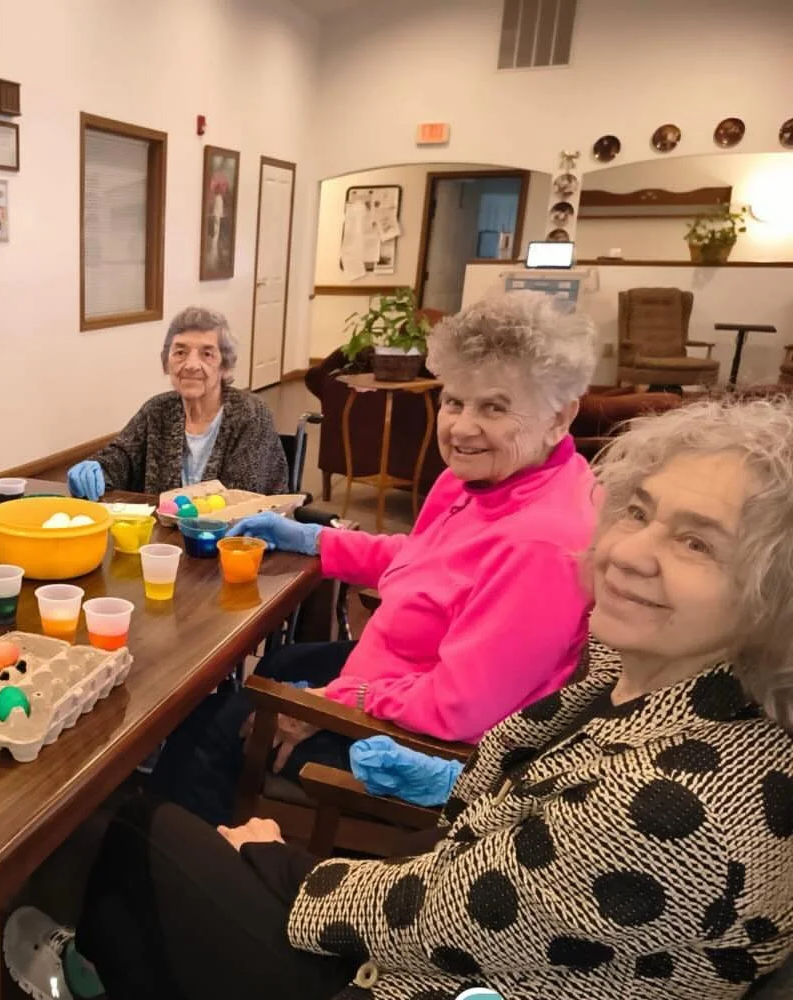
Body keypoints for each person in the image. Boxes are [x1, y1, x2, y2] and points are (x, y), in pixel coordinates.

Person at [8, 398, 793, 1000]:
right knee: (153, 875)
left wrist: (273, 858)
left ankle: (115, 978)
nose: (628, 552)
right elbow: (523, 853)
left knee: (133, 834)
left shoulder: (678, 802)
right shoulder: (654, 678)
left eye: (697, 543)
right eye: (637, 512)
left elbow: (434, 918)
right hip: (483, 939)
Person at [151, 291, 600, 825]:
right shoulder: (483, 481)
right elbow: (427, 561)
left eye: (495, 408)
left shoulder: (541, 546)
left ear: (559, 416)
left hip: (414, 739)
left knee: (212, 730)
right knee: (277, 666)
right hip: (401, 669)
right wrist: (312, 539)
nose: (461, 428)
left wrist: (338, 702)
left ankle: (173, 844)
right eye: (454, 401)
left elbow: (459, 706)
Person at [66, 307, 289, 500]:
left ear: (225, 366)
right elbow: (121, 457)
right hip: (163, 535)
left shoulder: (251, 414)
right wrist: (98, 468)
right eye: (180, 352)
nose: (191, 365)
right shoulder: (157, 410)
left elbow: (239, 499)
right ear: (166, 362)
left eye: (207, 354)